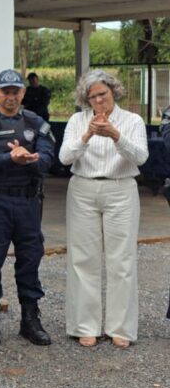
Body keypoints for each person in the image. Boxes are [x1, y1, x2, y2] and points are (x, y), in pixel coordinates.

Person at [58, 69, 147, 348]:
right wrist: (86, 136)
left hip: (121, 188)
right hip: (83, 188)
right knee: (83, 258)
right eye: (92, 96)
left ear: (113, 92)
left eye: (103, 94)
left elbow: (141, 157)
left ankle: (121, 327)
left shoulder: (132, 120)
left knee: (121, 259)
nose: (98, 101)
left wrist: (116, 136)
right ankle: (85, 325)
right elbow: (64, 157)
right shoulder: (76, 120)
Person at [0, 69, 55, 347]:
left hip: (29, 202)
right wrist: (10, 158)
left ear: (23, 93)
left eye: (15, 91)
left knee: (30, 258)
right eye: (5, 91)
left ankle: (30, 319)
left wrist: (29, 159)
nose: (10, 96)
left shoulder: (35, 121)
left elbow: (49, 159)